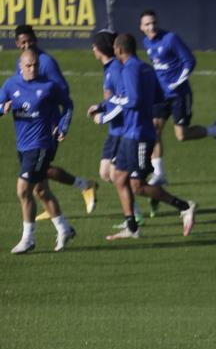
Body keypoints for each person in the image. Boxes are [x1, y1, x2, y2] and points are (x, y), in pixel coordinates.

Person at [90, 33, 196, 240]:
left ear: (119, 50)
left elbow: (134, 100)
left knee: (137, 186)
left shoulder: (130, 69)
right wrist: (108, 104)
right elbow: (158, 96)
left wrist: (108, 110)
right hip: (131, 133)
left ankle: (184, 206)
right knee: (119, 178)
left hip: (139, 134)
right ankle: (132, 226)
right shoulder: (146, 67)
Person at [139, 10, 216, 187]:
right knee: (154, 130)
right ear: (141, 27)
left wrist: (177, 82)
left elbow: (190, 61)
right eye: (147, 24)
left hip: (179, 94)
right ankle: (159, 174)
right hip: (160, 95)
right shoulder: (146, 42)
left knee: (181, 135)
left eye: (154, 23)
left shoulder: (171, 39)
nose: (151, 27)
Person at [14, 24, 98, 217]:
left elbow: (64, 93)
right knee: (39, 176)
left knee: (38, 170)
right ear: (18, 44)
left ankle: (84, 186)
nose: (27, 45)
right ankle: (53, 205)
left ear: (36, 39)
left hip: (47, 126)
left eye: (30, 41)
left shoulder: (46, 62)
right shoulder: (22, 63)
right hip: (29, 128)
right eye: (23, 42)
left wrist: (61, 123)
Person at [0, 50, 76, 254]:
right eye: (28, 66)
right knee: (40, 190)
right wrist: (3, 107)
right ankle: (64, 228)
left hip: (42, 145)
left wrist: (63, 126)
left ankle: (28, 238)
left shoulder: (49, 86)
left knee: (22, 189)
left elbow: (68, 104)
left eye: (35, 65)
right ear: (20, 66)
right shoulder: (10, 85)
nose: (32, 69)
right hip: (22, 147)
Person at [88, 30, 144, 228]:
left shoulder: (116, 70)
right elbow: (113, 98)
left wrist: (103, 117)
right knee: (106, 174)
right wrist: (101, 106)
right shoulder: (109, 68)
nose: (92, 48)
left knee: (115, 175)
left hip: (122, 131)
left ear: (101, 48)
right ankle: (134, 212)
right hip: (115, 130)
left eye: (94, 45)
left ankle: (135, 213)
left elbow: (123, 102)